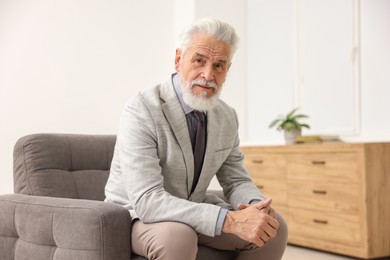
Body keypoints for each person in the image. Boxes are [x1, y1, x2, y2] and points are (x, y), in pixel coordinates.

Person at [105, 17, 288, 259]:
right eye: (199, 61)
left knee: (272, 229)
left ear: (228, 69)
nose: (208, 74)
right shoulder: (141, 109)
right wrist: (229, 220)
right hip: (137, 216)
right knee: (178, 236)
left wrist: (256, 207)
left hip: (193, 210)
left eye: (219, 65)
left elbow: (235, 180)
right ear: (178, 59)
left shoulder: (227, 116)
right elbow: (148, 201)